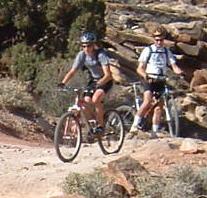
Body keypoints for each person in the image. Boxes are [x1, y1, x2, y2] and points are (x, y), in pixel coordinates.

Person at [131, 26, 184, 135]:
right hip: (149, 80)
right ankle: (135, 125)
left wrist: (180, 72)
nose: (159, 42)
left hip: (161, 80)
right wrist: (145, 76)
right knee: (147, 101)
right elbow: (139, 68)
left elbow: (173, 65)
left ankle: (155, 132)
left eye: (161, 39)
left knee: (159, 108)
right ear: (153, 39)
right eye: (157, 39)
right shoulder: (148, 50)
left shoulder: (166, 51)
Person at [59, 32, 113, 134]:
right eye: (83, 46)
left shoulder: (101, 54)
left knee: (96, 99)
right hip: (93, 80)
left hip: (105, 80)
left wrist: (100, 83)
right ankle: (92, 123)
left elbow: (108, 74)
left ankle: (101, 126)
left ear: (93, 45)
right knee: (85, 102)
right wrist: (63, 83)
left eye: (89, 45)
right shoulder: (82, 55)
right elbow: (72, 71)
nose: (86, 48)